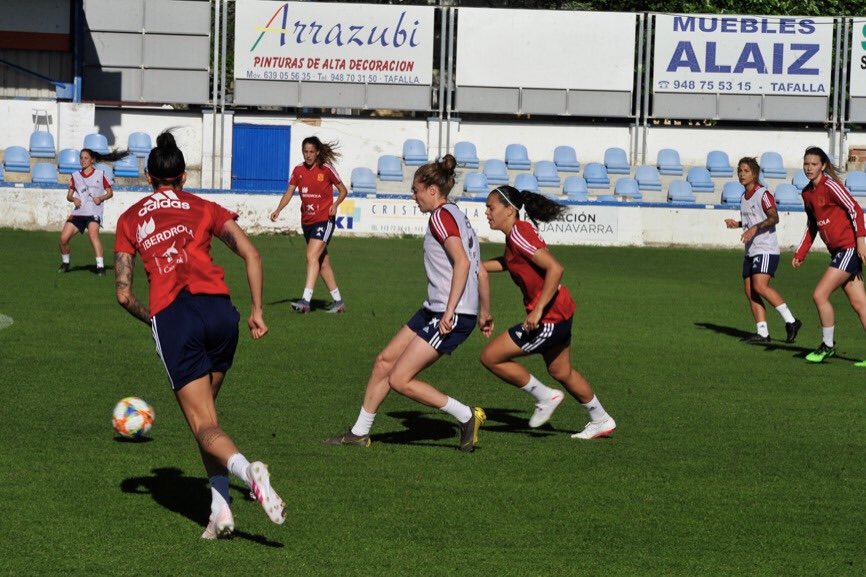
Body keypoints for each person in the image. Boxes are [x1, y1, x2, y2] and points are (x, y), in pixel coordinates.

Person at [114, 131, 285, 539]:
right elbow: (252, 253)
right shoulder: (204, 206)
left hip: (176, 318)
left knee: (203, 423)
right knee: (208, 423)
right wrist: (258, 310)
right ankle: (221, 511)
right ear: (183, 177)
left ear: (148, 177)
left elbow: (123, 294)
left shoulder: (130, 218)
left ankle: (250, 473)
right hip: (220, 314)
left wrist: (156, 321)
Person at [323, 154, 491, 452]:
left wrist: (452, 312)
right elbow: (479, 268)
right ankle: (359, 432)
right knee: (384, 362)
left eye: (415, 190)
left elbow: (464, 263)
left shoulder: (440, 216)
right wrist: (485, 310)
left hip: (448, 313)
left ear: (432, 190)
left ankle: (466, 416)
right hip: (435, 308)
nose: (413, 196)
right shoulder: (455, 214)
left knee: (400, 379)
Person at [479, 185, 616, 439]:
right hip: (561, 312)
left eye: (491, 207)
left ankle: (545, 397)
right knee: (561, 371)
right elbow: (511, 262)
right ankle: (601, 419)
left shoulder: (519, 233)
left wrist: (537, 311)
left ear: (509, 210)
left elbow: (555, 268)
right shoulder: (517, 234)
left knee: (490, 356)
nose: (486, 212)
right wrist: (476, 266)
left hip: (549, 318)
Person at [793, 146, 866, 364]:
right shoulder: (807, 193)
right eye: (806, 164)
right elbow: (812, 225)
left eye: (814, 164)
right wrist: (802, 252)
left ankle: (827, 346)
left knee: (820, 294)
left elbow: (855, 210)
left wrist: (861, 242)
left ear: (823, 166)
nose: (809, 168)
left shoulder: (831, 186)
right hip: (839, 252)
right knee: (860, 304)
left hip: (848, 249)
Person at [724, 157, 801, 343]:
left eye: (746, 171)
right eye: (740, 171)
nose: (742, 174)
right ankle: (763, 332)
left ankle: (791, 321)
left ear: (755, 174)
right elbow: (753, 220)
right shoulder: (743, 197)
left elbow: (774, 217)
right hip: (751, 250)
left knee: (760, 286)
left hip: (766, 249)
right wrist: (740, 224)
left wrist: (754, 228)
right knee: (750, 291)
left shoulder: (763, 194)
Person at [269, 136, 349, 313]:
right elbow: (289, 192)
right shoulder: (298, 170)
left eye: (312, 151)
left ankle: (306, 300)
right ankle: (338, 302)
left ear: (318, 152)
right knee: (322, 262)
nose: (308, 155)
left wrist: (335, 205)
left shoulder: (326, 169)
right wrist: (278, 209)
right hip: (307, 222)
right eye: (305, 151)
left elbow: (343, 190)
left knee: (311, 256)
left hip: (324, 220)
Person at [58, 148, 125, 275]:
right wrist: (73, 199)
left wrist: (101, 198)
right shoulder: (75, 176)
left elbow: (110, 193)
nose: (83, 160)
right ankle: (66, 263)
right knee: (63, 239)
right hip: (79, 212)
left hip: (94, 211)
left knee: (92, 234)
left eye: (86, 158)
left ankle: (100, 267)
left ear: (92, 160)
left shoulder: (100, 174)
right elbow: (69, 196)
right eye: (81, 158)